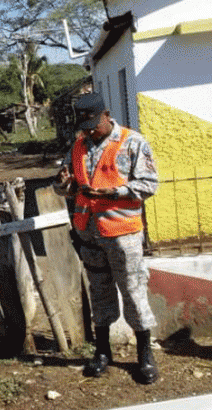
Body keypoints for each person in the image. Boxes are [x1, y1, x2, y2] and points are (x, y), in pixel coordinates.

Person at [54, 92, 160, 385]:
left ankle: (144, 354)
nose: (88, 131)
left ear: (107, 114)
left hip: (123, 233)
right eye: (84, 126)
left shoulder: (132, 142)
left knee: (133, 290)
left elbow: (150, 184)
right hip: (88, 233)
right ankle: (102, 352)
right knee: (99, 291)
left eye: (93, 124)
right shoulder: (77, 146)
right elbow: (63, 186)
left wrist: (113, 193)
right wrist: (64, 184)